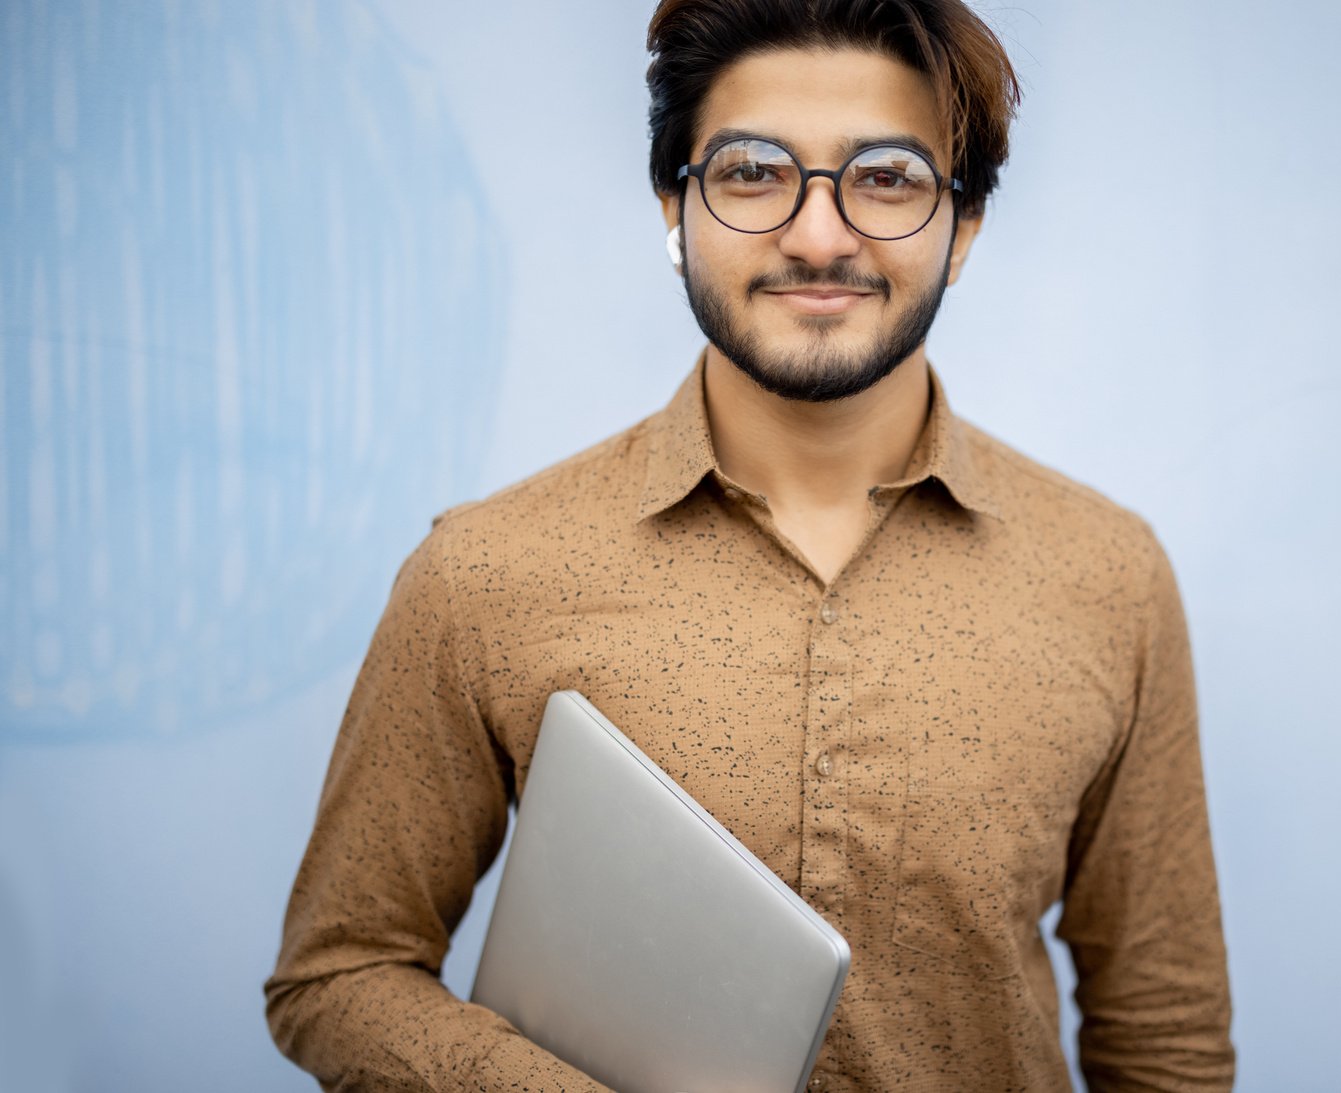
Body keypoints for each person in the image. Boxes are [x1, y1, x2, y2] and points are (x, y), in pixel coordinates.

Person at [265, 1, 1235, 1089]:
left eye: (886, 178)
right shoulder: (483, 575)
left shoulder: (1109, 575)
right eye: (751, 171)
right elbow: (339, 972)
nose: (819, 236)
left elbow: (1163, 1030)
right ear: (674, 208)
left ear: (961, 229)